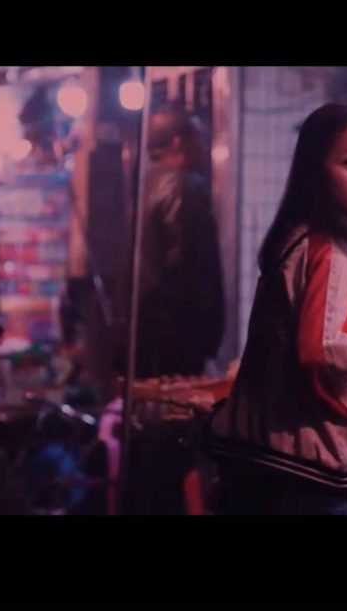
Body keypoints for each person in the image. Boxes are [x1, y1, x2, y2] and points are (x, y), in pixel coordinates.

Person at [206, 103, 347, 515]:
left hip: (259, 458)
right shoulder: (332, 248)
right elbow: (324, 351)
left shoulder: (296, 237)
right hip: (304, 468)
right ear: (318, 169)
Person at [117, 106, 226, 515]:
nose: (204, 147)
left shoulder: (145, 186)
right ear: (180, 142)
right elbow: (190, 272)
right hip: (176, 348)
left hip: (144, 343)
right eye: (199, 138)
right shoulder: (183, 186)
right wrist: (203, 342)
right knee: (171, 457)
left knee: (148, 459)